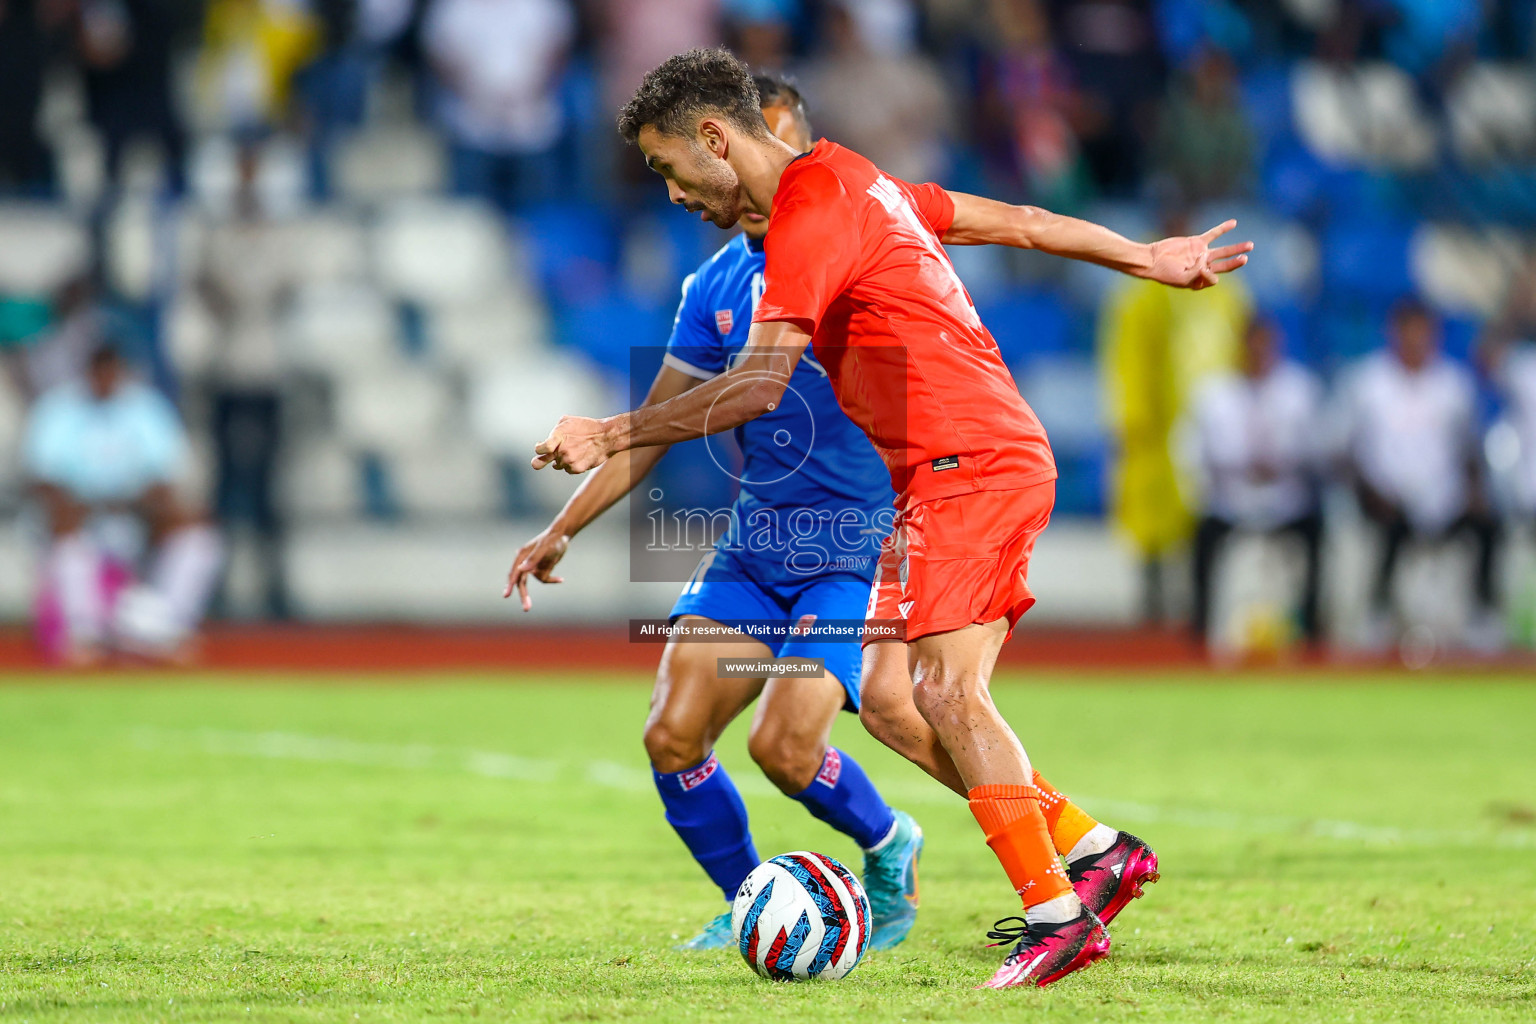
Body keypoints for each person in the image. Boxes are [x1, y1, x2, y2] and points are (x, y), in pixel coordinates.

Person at [530, 49, 1250, 987]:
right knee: (892, 708)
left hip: (971, 463)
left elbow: (756, 386)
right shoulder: (860, 183)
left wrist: (612, 427)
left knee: (947, 694)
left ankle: (1057, 913)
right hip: (947, 470)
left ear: (715, 139)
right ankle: (1093, 847)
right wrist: (1144, 256)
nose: (669, 193)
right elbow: (1022, 223)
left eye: (668, 168)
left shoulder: (811, 211)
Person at [506, 75, 925, 953]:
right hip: (752, 555)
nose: (707, 183)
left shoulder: (860, 251)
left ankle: (890, 842)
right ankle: (757, 904)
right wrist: (562, 529)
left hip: (854, 553)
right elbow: (653, 433)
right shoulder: (715, 284)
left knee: (785, 750)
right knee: (672, 735)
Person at [24, 345, 223, 663]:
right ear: (87, 373)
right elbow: (43, 479)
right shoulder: (59, 408)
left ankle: (166, 629)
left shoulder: (146, 407)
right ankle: (84, 635)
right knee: (67, 536)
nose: (104, 380)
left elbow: (166, 479)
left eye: (111, 372)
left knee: (198, 536)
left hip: (135, 521)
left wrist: (137, 506)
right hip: (83, 520)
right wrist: (90, 505)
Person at [1338, 299, 1501, 650]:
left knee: (1488, 527)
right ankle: (1378, 613)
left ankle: (1481, 613)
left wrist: (1475, 493)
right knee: (1389, 528)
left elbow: (1469, 450)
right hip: (1387, 499)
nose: (1417, 341)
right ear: (1394, 334)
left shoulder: (1454, 385)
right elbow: (1347, 453)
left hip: (1444, 499)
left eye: (1424, 333)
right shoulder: (1367, 383)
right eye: (1409, 332)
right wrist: (1370, 491)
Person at [1188, 316, 1326, 649]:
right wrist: (1235, 470)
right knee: (1203, 536)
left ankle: (1311, 627)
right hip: (1232, 501)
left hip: (1286, 502)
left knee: (1317, 533)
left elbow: (1319, 451)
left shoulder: (1300, 391)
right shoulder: (1214, 394)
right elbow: (1193, 453)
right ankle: (1202, 626)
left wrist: (1284, 465)